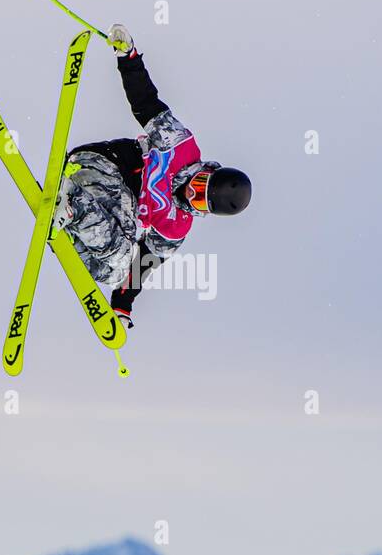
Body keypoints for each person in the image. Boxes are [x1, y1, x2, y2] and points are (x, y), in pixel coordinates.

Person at [54, 24, 252, 328]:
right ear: (205, 172)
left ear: (203, 212)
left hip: (105, 210)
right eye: (199, 185)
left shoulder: (175, 228)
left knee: (112, 269)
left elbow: (142, 265)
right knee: (124, 241)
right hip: (103, 167)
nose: (190, 194)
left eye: (199, 201)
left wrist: (122, 307)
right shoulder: (180, 145)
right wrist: (128, 57)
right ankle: (72, 205)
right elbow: (145, 102)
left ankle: (66, 223)